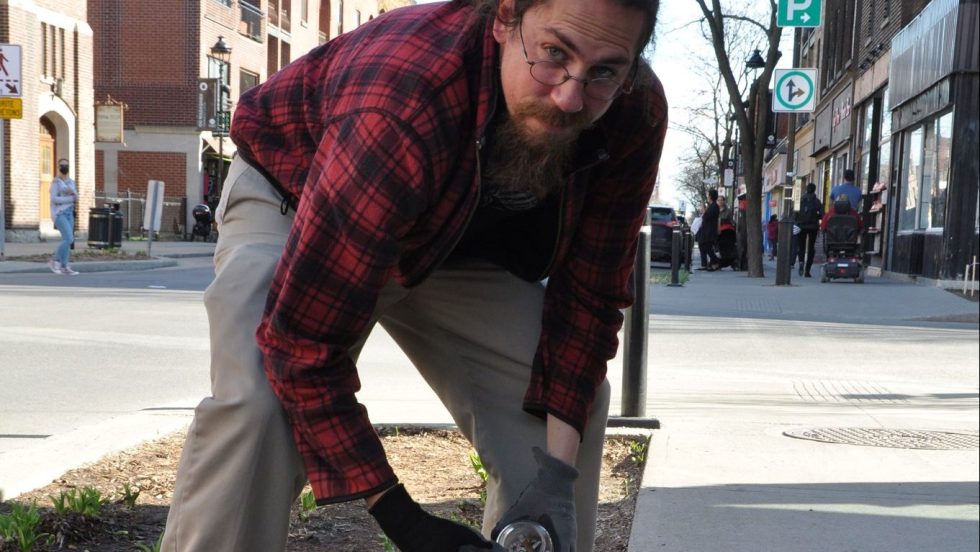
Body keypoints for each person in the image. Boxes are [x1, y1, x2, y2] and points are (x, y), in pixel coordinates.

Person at [162, 1, 666, 552]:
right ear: (504, 19)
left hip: (455, 238)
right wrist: (403, 519)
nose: (570, 97)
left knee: (567, 405)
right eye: (553, 54)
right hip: (300, 197)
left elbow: (590, 298)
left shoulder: (633, 109)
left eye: (603, 72)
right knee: (260, 407)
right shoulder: (402, 97)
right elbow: (302, 344)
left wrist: (554, 486)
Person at [48, 159, 79, 276]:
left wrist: (73, 196)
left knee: (66, 240)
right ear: (58, 167)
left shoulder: (71, 182)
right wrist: (70, 198)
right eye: (62, 165)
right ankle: (54, 260)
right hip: (59, 213)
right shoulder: (56, 182)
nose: (64, 167)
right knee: (69, 239)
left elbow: (77, 196)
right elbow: (54, 199)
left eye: (66, 165)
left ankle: (65, 266)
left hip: (69, 213)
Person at [795, 182, 824, 277]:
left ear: (806, 189)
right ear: (814, 190)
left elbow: (794, 214)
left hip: (801, 226)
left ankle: (801, 262)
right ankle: (807, 270)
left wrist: (797, 222)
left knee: (801, 246)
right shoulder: (817, 201)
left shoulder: (800, 200)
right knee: (811, 247)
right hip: (813, 227)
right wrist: (816, 216)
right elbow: (822, 214)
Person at [697, 189, 720, 271]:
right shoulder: (712, 206)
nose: (707, 196)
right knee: (702, 245)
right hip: (706, 230)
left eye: (708, 195)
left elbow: (706, 216)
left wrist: (703, 209)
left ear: (710, 196)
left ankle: (716, 261)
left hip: (709, 231)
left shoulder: (714, 206)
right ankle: (704, 264)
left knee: (707, 247)